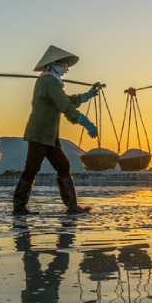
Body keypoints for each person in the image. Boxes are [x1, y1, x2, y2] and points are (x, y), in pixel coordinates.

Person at [12, 45, 100, 215]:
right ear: (52, 64)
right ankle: (19, 207)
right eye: (63, 63)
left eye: (66, 64)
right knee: (31, 169)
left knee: (63, 166)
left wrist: (86, 96)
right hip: (40, 133)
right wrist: (85, 122)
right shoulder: (48, 81)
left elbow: (65, 99)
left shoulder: (51, 82)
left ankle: (72, 206)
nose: (65, 67)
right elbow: (64, 105)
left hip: (49, 135)